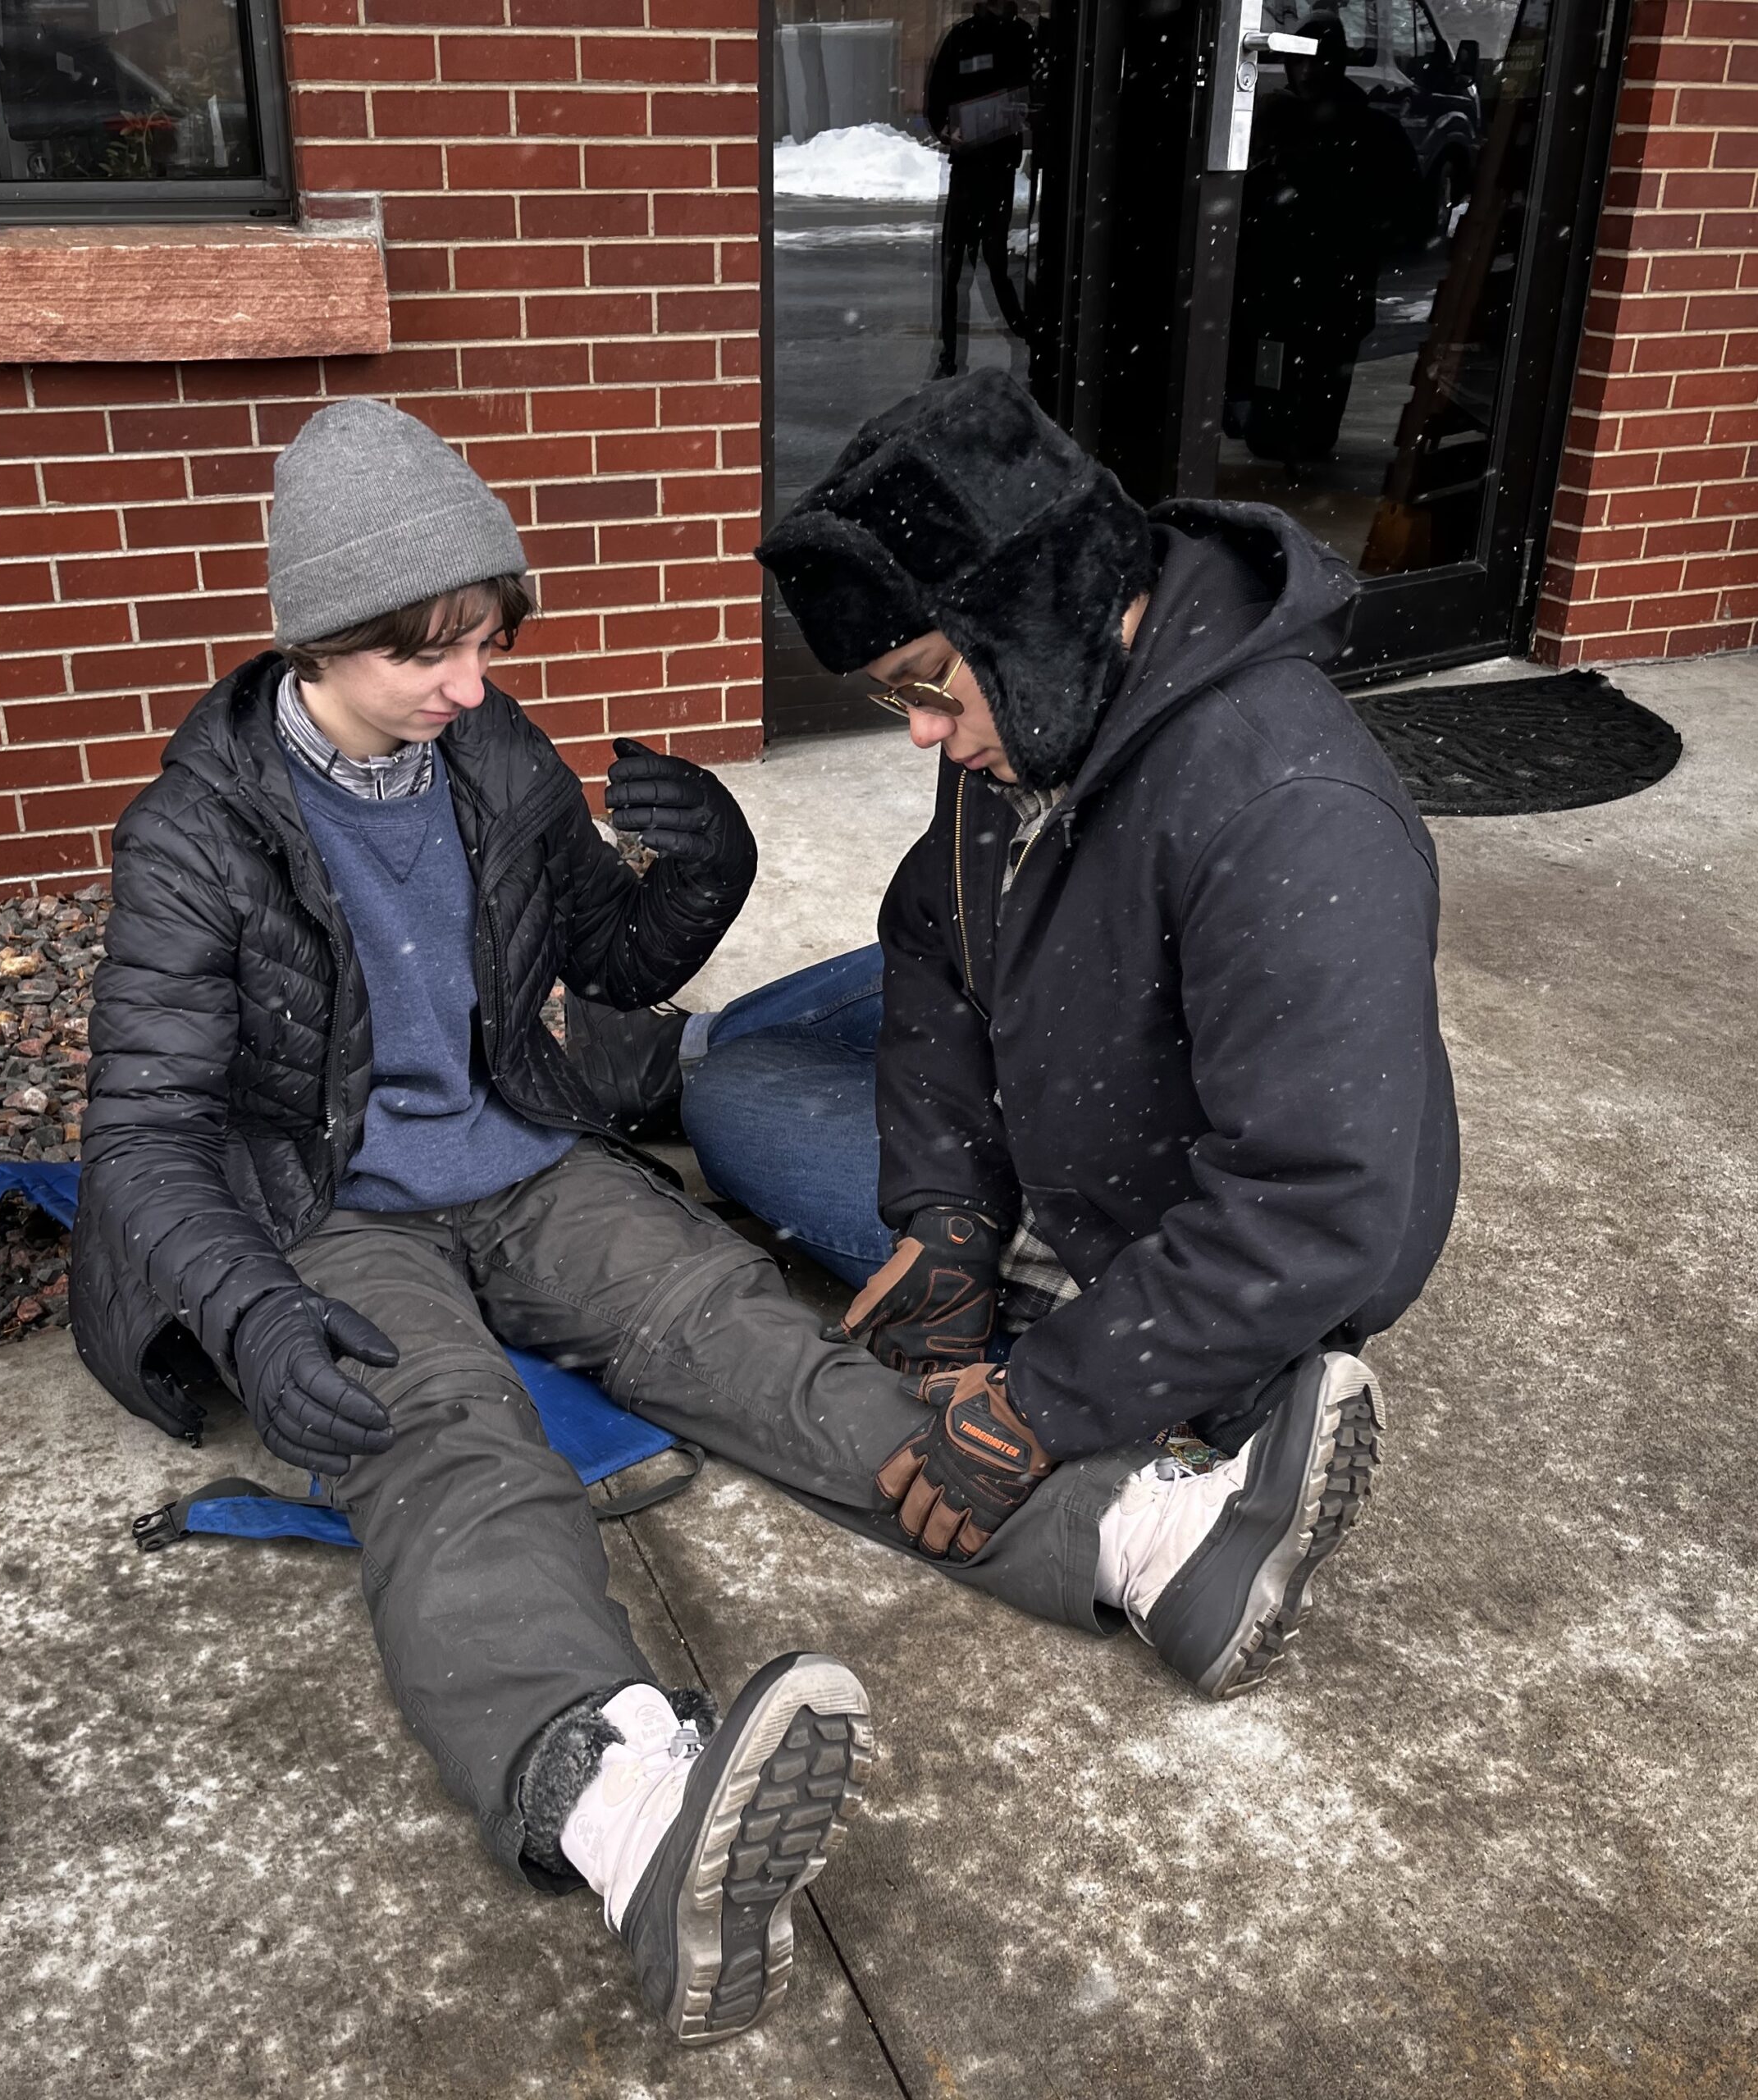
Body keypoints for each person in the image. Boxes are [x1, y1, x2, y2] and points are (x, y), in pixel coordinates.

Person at [72, 399, 901, 2046]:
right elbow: (148, 1132)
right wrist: (247, 1311)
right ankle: (622, 1810)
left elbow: (607, 958)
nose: (469, 685)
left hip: (517, 1149)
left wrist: (702, 871)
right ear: (320, 640)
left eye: (486, 641)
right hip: (318, 1204)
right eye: (427, 656)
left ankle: (1123, 1532)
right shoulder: (197, 832)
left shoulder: (489, 752)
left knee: (723, 1317)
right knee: (450, 1439)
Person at [698, 369, 1459, 1681]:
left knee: (733, 1088)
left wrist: (1041, 1405)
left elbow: (1322, 1197)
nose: (926, 737)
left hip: (1204, 1209)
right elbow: (931, 937)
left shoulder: (1291, 808)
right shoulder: (1042, 702)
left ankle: (1224, 1379)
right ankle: (1082, 1311)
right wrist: (943, 1212)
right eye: (899, 697)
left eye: (929, 685)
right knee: (730, 1086)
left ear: (1029, 606)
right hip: (1067, 1072)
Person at [1225, 15, 1427, 463]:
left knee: (1310, 412)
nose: (1308, 73)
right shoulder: (1282, 122)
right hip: (1285, 287)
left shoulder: (1367, 132)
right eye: (1301, 63)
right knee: (1276, 407)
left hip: (1327, 284)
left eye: (1317, 62)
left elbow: (1403, 215)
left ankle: (1294, 437)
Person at [925, 0, 1034, 377]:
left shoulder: (1022, 37)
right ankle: (952, 356)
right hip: (974, 164)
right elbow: (937, 101)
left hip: (992, 164)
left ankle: (1025, 334)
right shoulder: (966, 37)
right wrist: (949, 132)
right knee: (960, 269)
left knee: (987, 264)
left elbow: (1036, 95)